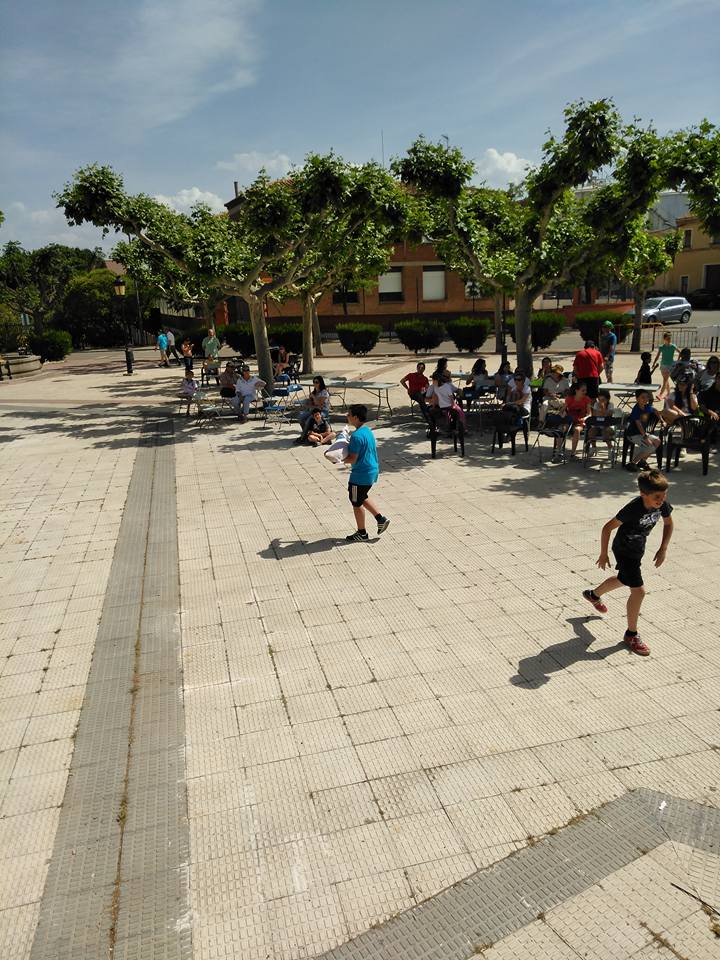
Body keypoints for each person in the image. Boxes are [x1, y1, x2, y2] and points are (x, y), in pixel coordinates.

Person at [582, 469, 673, 657]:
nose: (661, 500)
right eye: (657, 497)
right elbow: (607, 528)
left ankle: (593, 595)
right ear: (643, 494)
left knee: (623, 580)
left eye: (664, 495)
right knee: (639, 592)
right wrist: (603, 554)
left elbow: (669, 523)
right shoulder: (633, 508)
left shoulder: (662, 505)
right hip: (624, 550)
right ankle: (631, 634)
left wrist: (663, 548)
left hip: (638, 549)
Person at [342, 404, 389, 542]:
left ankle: (362, 533)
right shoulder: (367, 430)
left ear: (356, 417)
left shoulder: (356, 436)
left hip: (360, 475)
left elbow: (352, 458)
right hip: (371, 470)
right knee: (362, 496)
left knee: (356, 503)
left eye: (349, 414)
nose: (347, 416)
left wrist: (338, 459)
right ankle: (381, 519)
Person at [626, 389, 661, 470]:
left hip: (642, 433)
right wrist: (645, 437)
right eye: (643, 397)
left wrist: (662, 421)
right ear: (637, 399)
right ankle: (632, 463)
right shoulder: (636, 410)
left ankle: (642, 461)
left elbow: (655, 411)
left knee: (657, 441)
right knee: (650, 446)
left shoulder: (647, 407)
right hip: (633, 434)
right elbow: (639, 425)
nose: (645, 399)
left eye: (647, 397)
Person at [294, 376, 331, 443]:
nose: (315, 384)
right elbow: (311, 404)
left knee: (310, 419)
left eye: (316, 382)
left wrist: (313, 397)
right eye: (314, 382)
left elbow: (319, 403)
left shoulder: (324, 392)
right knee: (301, 417)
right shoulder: (314, 392)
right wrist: (308, 403)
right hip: (314, 410)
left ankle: (303, 437)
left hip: (323, 411)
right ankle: (306, 433)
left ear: (320, 383)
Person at [564, 382, 592, 458]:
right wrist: (564, 415)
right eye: (583, 390)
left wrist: (584, 418)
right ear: (576, 391)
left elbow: (589, 414)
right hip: (569, 420)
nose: (585, 392)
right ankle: (559, 451)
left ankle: (573, 452)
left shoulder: (586, 399)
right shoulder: (569, 399)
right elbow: (562, 410)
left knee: (577, 430)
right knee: (561, 428)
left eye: (585, 390)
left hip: (580, 421)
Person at [651, 333, 678, 399]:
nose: (669, 340)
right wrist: (654, 363)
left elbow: (680, 352)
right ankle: (668, 393)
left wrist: (677, 360)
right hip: (663, 365)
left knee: (665, 380)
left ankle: (660, 394)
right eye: (667, 338)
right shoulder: (661, 347)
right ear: (664, 339)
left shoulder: (673, 346)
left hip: (670, 365)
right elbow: (657, 356)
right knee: (665, 379)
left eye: (669, 339)